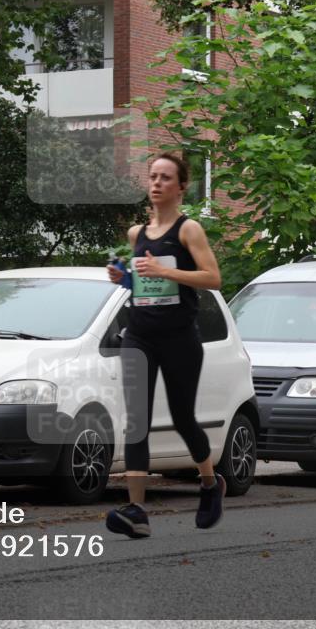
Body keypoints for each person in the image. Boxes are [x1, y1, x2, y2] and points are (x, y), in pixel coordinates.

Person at [105, 152, 224, 539]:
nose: (156, 183)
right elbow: (144, 286)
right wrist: (123, 277)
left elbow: (212, 278)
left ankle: (209, 483)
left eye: (165, 178)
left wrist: (164, 270)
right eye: (152, 176)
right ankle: (137, 510)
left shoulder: (190, 231)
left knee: (182, 418)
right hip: (139, 336)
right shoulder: (136, 234)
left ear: (181, 187)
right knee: (136, 419)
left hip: (179, 338)